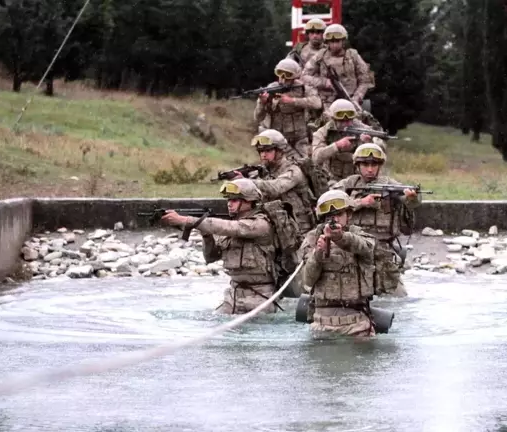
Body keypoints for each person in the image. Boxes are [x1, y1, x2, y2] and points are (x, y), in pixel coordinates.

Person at [160, 179, 279, 314]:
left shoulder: (260, 225)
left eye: (234, 200)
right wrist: (207, 236)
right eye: (228, 200)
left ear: (249, 201)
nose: (229, 204)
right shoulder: (230, 228)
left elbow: (231, 228)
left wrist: (188, 220)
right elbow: (211, 257)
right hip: (233, 295)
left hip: (261, 297)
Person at [331, 143, 419, 297]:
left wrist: (411, 198)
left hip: (381, 250)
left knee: (399, 298)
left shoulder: (390, 184)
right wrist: (360, 202)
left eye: (374, 164)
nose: (370, 169)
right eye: (365, 164)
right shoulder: (348, 184)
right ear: (357, 166)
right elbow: (330, 204)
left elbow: (410, 202)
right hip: (352, 248)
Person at [298, 190, 377, 338]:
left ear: (349, 215)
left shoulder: (360, 236)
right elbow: (307, 280)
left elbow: (365, 247)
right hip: (321, 324)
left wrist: (340, 238)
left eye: (339, 214)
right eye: (329, 216)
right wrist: (318, 254)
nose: (334, 220)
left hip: (356, 324)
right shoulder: (311, 239)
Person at [233, 129, 316, 235]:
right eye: (261, 151)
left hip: (300, 228)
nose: (263, 155)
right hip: (277, 226)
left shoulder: (294, 170)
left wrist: (248, 182)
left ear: (279, 151)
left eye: (268, 151)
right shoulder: (263, 172)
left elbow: (276, 188)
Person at [254, 58, 322, 159]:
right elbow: (258, 118)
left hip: (300, 137)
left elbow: (317, 103)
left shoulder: (302, 88)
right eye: (280, 74)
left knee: (306, 163)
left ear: (295, 76)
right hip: (278, 138)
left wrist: (292, 101)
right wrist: (262, 103)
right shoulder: (270, 89)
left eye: (288, 75)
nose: (283, 79)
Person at [311, 99, 386, 183]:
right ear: (333, 119)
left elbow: (381, 154)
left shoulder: (363, 129)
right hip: (331, 178)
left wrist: (366, 143)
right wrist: (337, 146)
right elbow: (315, 158)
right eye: (342, 121)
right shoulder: (323, 132)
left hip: (359, 179)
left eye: (349, 120)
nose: (346, 123)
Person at [301, 23, 373, 108]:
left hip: (351, 100)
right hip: (327, 102)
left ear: (343, 41)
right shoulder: (320, 56)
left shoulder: (353, 55)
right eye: (331, 41)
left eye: (337, 41)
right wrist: (323, 82)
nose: (334, 45)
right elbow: (304, 76)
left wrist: (357, 97)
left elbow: (365, 80)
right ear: (327, 42)